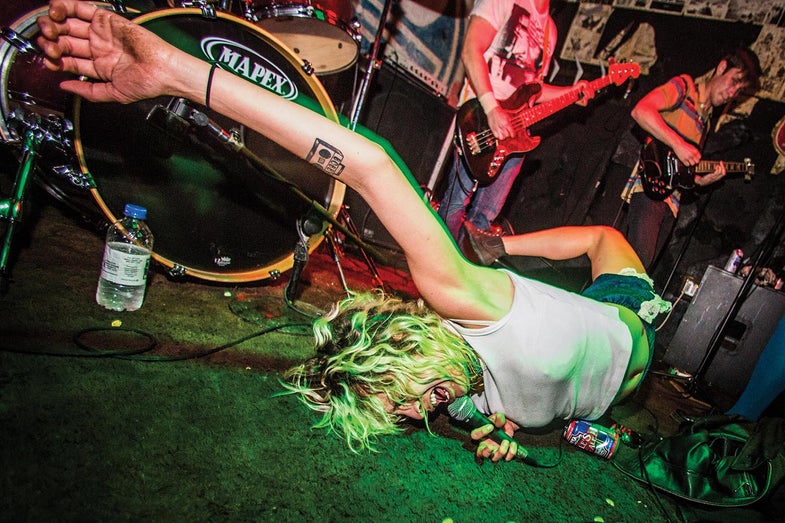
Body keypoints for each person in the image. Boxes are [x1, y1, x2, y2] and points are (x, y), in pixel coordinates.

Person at [36, 0, 671, 462]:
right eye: (402, 417)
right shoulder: (457, 402)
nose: (417, 410)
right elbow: (510, 402)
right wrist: (505, 430)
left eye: (400, 396)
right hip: (608, 395)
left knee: (598, 241)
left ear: (404, 341)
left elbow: (369, 166)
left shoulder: (462, 301)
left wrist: (180, 74)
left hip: (624, 312)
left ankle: (503, 245)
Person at [438, 0, 594, 252]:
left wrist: (571, 92)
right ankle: (434, 264)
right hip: (480, 117)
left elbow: (533, 88)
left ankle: (461, 274)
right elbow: (470, 49)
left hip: (516, 133)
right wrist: (492, 109)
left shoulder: (549, 29)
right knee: (456, 202)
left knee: (484, 220)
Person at [622, 48, 762, 268]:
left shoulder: (705, 121)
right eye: (733, 82)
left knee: (642, 270)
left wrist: (702, 181)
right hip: (649, 189)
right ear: (722, 67)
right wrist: (679, 143)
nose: (732, 93)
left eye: (739, 90)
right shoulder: (685, 86)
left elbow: (683, 170)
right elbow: (641, 110)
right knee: (634, 269)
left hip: (671, 202)